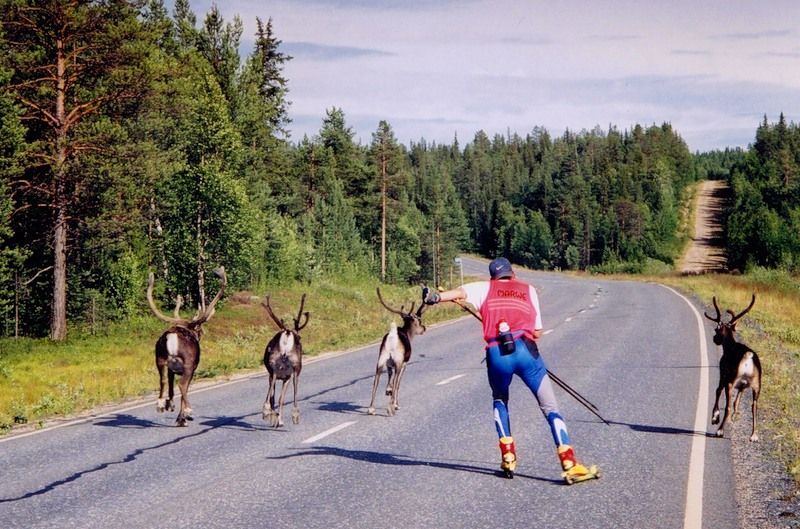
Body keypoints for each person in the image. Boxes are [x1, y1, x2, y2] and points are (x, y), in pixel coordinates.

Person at [423, 257, 598, 483]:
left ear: (492, 277)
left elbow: (455, 294)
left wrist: (433, 297)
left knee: (499, 399)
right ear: (512, 274)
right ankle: (569, 463)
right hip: (526, 352)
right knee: (550, 406)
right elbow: (537, 332)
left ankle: (508, 458)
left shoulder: (483, 288)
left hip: (497, 355)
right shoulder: (528, 290)